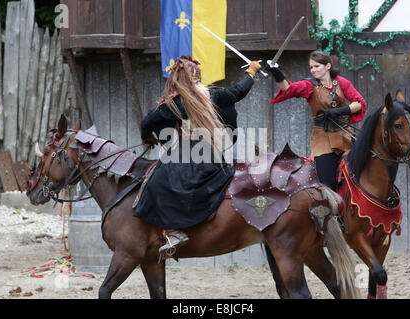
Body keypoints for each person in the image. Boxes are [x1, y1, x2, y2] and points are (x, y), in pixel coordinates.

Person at [134, 55, 261, 255]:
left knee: (158, 181)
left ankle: (174, 231)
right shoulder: (214, 95)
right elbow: (239, 90)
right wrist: (251, 71)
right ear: (198, 76)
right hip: (214, 153)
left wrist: (148, 138)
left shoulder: (174, 103)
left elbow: (147, 122)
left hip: (190, 152)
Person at [266, 51, 366, 190]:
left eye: (317, 66)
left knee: (365, 171)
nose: (313, 70)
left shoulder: (341, 82)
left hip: (345, 136)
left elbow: (359, 103)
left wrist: (337, 111)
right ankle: (332, 210)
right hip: (323, 140)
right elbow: (287, 88)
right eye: (311, 67)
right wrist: (276, 72)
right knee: (327, 186)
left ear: (328, 66)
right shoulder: (308, 85)